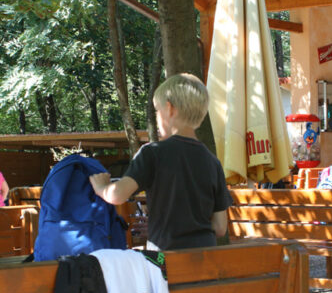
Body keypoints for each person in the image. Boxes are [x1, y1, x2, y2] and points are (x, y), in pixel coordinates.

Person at [89, 73, 231, 251]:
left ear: (170, 109)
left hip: (164, 263)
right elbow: (220, 227)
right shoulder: (213, 162)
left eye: (157, 110)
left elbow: (117, 195)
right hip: (205, 261)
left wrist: (101, 187)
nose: (156, 117)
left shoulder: (152, 153)